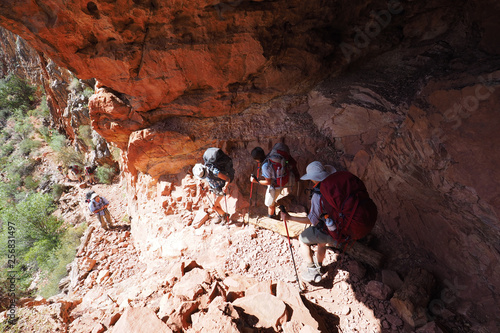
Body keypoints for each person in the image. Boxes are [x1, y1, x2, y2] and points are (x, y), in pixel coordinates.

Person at [279, 161, 338, 283]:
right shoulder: (335, 186)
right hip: (339, 229)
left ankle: (312, 269)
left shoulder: (318, 195)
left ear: (313, 178)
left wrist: (289, 218)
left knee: (302, 239)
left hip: (327, 231)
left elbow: (312, 220)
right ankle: (320, 267)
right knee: (321, 243)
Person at [249, 144, 299, 219]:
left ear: (256, 160)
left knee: (270, 204)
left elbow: (268, 182)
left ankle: (272, 217)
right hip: (282, 178)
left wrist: (255, 181)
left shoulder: (265, 166)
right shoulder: (270, 156)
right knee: (273, 200)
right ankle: (275, 210)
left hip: (276, 186)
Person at [193, 148, 233, 224]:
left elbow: (227, 179)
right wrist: (199, 181)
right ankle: (221, 216)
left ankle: (225, 215)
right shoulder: (203, 168)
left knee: (213, 206)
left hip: (220, 188)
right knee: (216, 204)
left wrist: (226, 187)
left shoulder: (215, 172)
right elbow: (202, 176)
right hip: (213, 186)